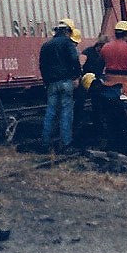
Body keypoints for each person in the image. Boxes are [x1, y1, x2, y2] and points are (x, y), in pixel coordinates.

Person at [99, 20, 127, 155]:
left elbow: (101, 65)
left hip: (108, 85)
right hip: (126, 86)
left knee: (111, 117)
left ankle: (112, 144)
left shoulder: (105, 48)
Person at [38, 18, 82, 152]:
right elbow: (74, 60)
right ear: (68, 31)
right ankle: (66, 143)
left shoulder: (46, 45)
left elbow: (42, 66)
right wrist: (76, 76)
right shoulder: (68, 43)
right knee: (66, 113)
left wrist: (46, 82)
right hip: (66, 81)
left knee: (50, 112)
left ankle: (45, 142)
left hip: (51, 83)